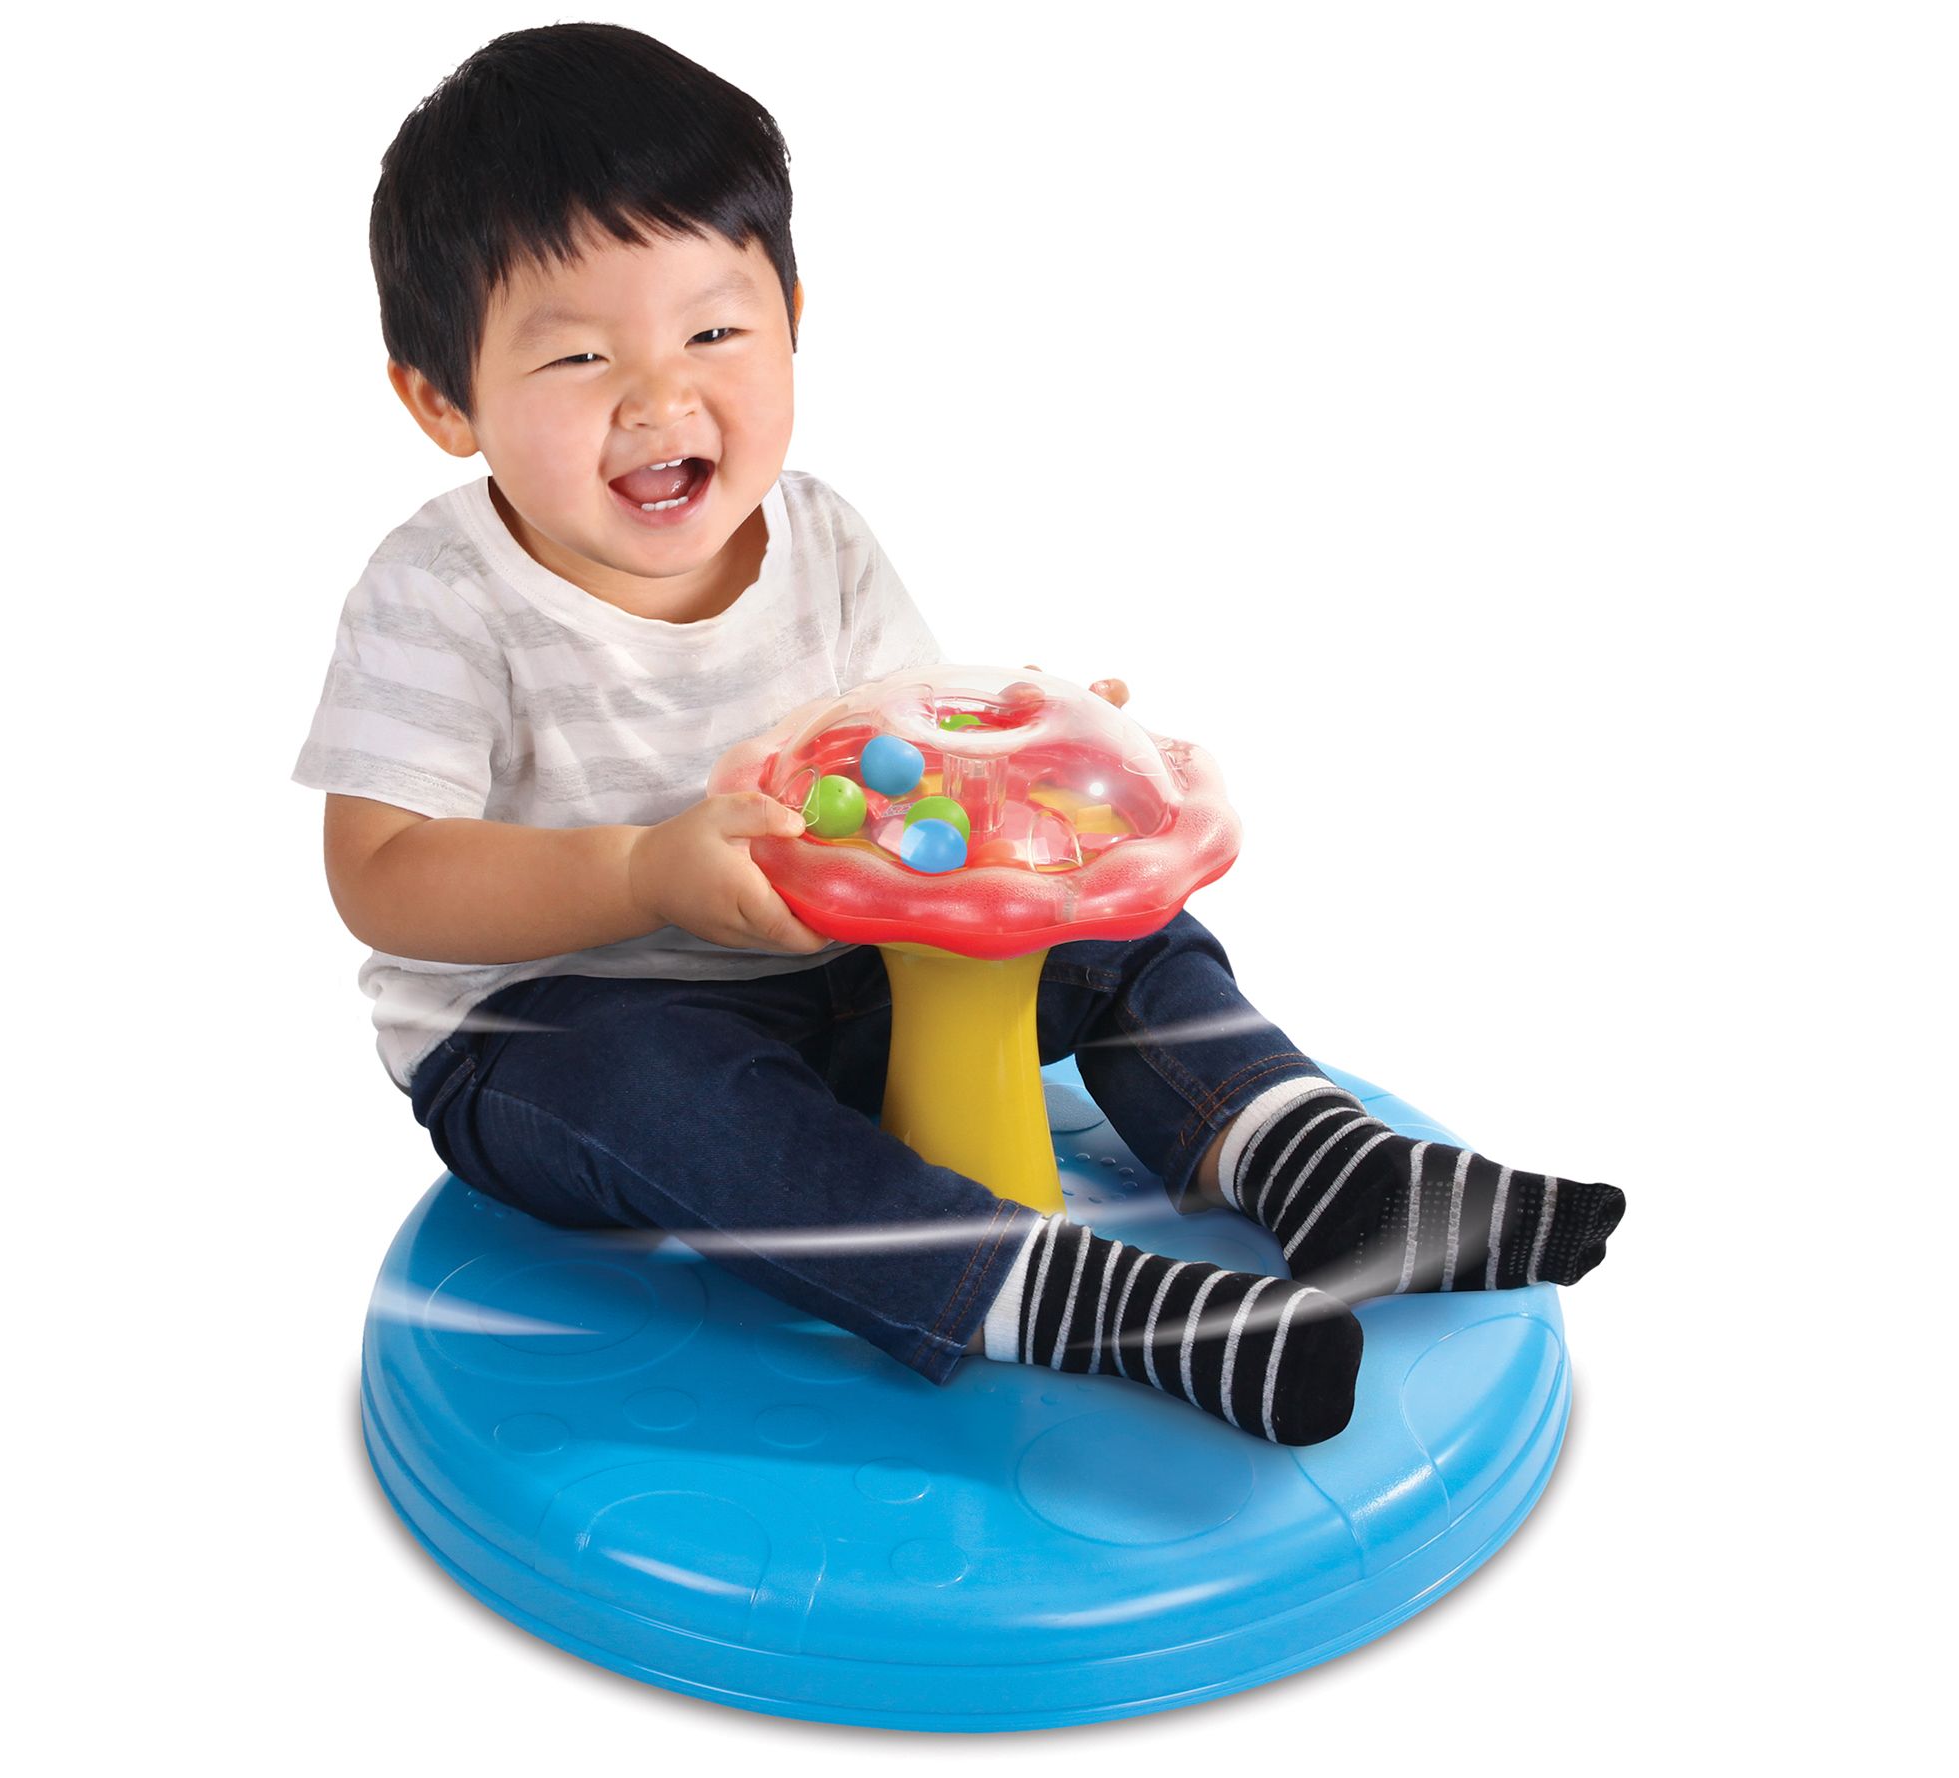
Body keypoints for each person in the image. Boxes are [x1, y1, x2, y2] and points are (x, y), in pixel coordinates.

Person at [295, 23, 1624, 1447]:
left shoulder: (820, 536)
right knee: (665, 1097)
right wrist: (640, 875)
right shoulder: (440, 596)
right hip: (563, 1025)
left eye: (714, 332)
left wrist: (1036, 780)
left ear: (793, 316)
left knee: (1119, 932)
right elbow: (381, 871)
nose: (661, 398)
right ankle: (1068, 1299)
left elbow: (899, 766)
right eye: (577, 355)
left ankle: (1317, 1160)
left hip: (833, 970)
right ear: (442, 400)